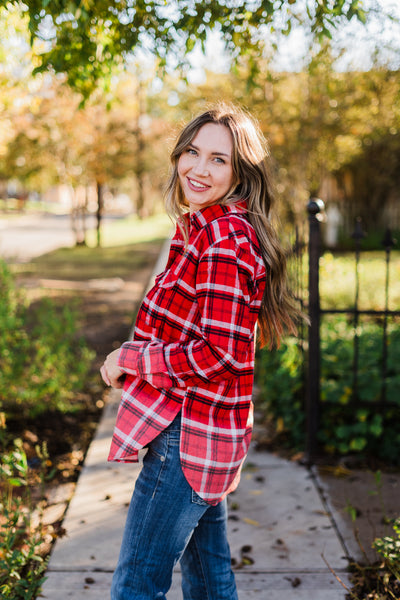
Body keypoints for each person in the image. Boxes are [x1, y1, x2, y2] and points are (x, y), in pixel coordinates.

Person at [100, 103, 301, 600]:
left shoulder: (223, 240)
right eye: (193, 152)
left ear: (240, 173)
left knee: (135, 586)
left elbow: (219, 353)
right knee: (210, 582)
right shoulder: (206, 228)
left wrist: (129, 358)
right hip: (204, 435)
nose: (198, 168)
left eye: (218, 159)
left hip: (185, 439)